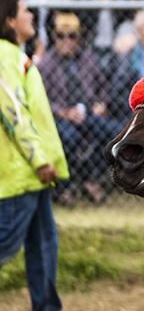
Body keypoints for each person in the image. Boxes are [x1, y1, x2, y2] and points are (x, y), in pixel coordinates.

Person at [0, 0, 84, 311]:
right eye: (24, 11)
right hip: (22, 171)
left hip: (33, 172)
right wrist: (38, 160)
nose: (31, 15)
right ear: (8, 21)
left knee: (44, 243)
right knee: (5, 243)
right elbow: (14, 114)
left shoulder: (17, 56)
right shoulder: (5, 56)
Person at [38, 12, 124, 204]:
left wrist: (101, 104)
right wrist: (63, 112)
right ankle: (64, 187)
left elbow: (104, 87)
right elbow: (39, 98)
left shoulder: (88, 58)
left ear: (79, 38)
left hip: (87, 114)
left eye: (72, 36)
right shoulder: (47, 63)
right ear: (54, 37)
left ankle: (89, 177)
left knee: (115, 135)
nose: (66, 40)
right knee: (70, 138)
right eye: (61, 36)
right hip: (59, 117)